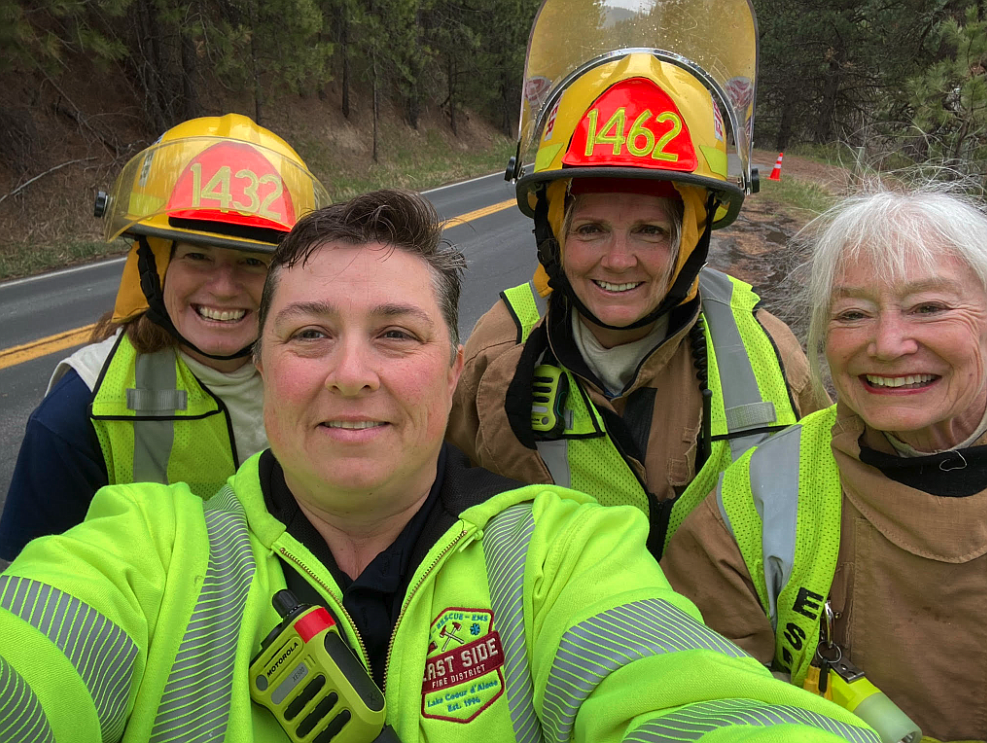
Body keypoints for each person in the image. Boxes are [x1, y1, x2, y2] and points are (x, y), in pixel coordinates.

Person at [0, 189, 882, 743]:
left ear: (451, 371)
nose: (352, 372)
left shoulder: (561, 553)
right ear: (260, 366)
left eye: (395, 332)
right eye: (309, 333)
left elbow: (687, 686)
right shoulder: (144, 549)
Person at [447, 0, 820, 557]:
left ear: (693, 235)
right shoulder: (496, 351)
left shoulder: (769, 358)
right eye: (591, 228)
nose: (618, 261)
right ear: (552, 230)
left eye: (649, 231)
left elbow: (828, 520)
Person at [660, 186, 987, 742]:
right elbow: (700, 701)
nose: (887, 344)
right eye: (853, 313)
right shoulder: (759, 494)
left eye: (929, 308)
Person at [0, 113, 329, 560]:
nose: (224, 286)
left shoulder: (332, 380)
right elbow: (33, 601)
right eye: (197, 255)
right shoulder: (82, 413)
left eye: (252, 261)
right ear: (154, 266)